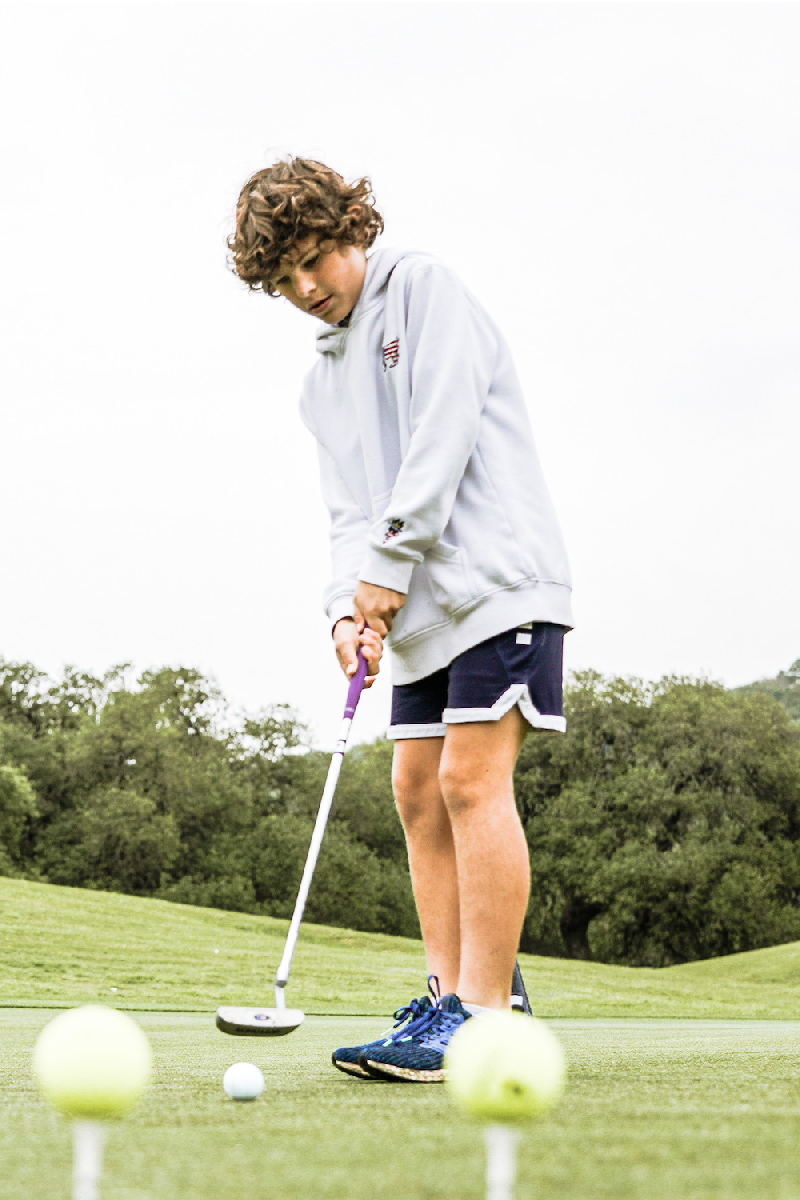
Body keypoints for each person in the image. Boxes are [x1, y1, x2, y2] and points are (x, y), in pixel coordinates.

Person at [228, 158, 573, 1082]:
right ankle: (450, 994)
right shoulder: (320, 382)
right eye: (283, 279)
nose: (306, 288)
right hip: (414, 609)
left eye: (314, 259)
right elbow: (349, 512)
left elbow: (441, 437)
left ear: (352, 229)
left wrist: (386, 565)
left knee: (469, 780)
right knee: (417, 790)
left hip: (497, 581)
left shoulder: (423, 289)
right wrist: (345, 610)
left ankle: (484, 1017)